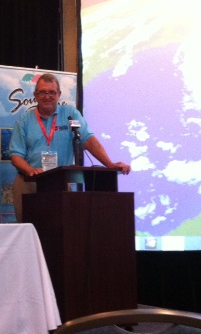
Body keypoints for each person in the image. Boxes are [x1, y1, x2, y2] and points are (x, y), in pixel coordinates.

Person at [9, 73, 131, 222]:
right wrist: (31, 171)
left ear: (59, 94)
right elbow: (15, 155)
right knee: (29, 232)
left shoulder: (70, 114)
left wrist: (110, 164)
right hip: (29, 183)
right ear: (35, 95)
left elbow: (88, 139)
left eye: (52, 92)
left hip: (61, 184)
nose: (47, 96)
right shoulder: (24, 120)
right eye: (43, 92)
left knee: (63, 232)